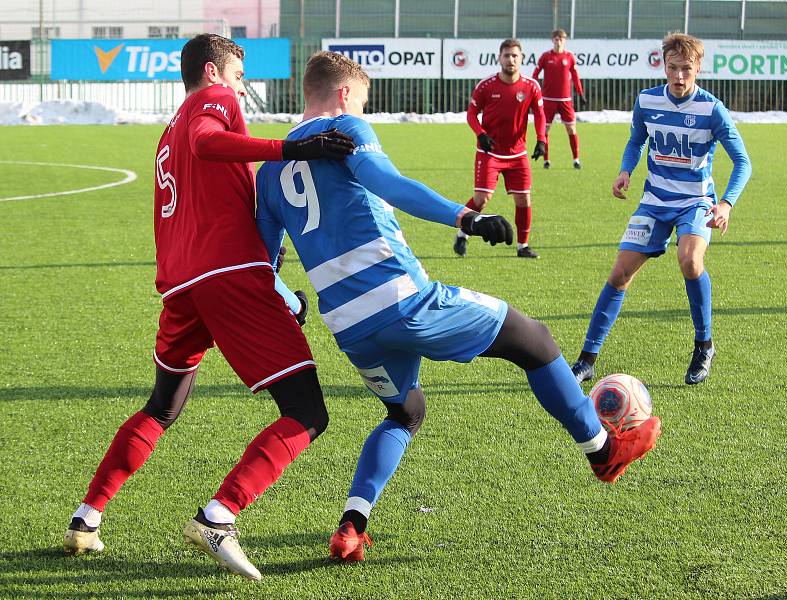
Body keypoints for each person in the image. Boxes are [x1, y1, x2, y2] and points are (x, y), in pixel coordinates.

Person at [255, 50, 662, 563]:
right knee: (535, 339)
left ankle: (351, 527)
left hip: (347, 323)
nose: (363, 113)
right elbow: (391, 185)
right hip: (402, 299)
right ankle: (604, 452)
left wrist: (290, 300)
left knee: (405, 414)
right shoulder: (344, 130)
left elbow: (263, 264)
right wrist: (464, 217)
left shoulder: (268, 168)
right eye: (362, 102)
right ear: (342, 96)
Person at [62, 34, 355, 581]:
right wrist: (293, 148)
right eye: (237, 74)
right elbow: (207, 141)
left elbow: (205, 173)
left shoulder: (164, 135)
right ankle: (218, 516)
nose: (240, 85)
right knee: (307, 411)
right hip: (226, 276)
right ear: (213, 70)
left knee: (162, 407)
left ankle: (86, 518)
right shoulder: (210, 102)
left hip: (182, 285)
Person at [571, 33, 751, 386]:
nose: (679, 76)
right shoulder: (647, 100)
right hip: (654, 202)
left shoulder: (712, 109)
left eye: (687, 68)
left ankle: (704, 345)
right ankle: (587, 359)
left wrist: (726, 203)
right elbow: (637, 139)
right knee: (620, 272)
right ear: (663, 65)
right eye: (673, 67)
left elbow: (742, 161)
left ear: (698, 67)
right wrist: (626, 170)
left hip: (695, 203)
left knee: (690, 260)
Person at [453, 38, 547, 259]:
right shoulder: (486, 86)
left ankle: (523, 246)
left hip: (518, 154)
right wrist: (481, 134)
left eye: (515, 55)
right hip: (490, 153)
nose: (511, 60)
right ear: (499, 58)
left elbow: (541, 115)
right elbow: (471, 114)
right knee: (481, 199)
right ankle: (462, 233)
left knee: (524, 199)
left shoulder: (531, 86)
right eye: (507, 55)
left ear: (521, 58)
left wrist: (541, 139)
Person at [532, 29, 585, 170]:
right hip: (548, 99)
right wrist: (532, 90)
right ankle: (546, 160)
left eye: (561, 39)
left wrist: (580, 93)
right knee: (545, 129)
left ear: (564, 40)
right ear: (552, 40)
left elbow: (575, 76)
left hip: (565, 100)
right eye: (556, 39)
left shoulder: (569, 57)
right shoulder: (545, 56)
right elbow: (535, 74)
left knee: (571, 129)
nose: (558, 41)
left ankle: (576, 160)